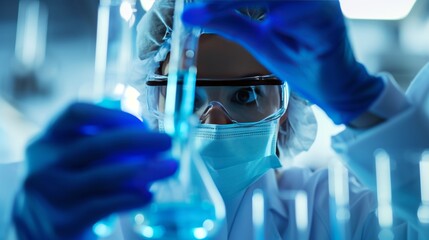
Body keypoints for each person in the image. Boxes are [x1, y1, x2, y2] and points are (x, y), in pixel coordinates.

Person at [3, 0, 429, 239]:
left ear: (284, 118)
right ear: (154, 110)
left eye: (245, 95)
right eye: (188, 97)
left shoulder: (340, 214)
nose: (215, 120)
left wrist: (360, 98)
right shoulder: (100, 218)